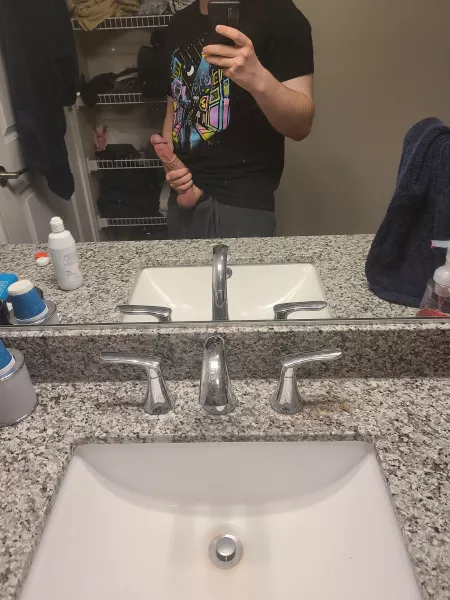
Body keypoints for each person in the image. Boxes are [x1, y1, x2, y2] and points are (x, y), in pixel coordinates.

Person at [160, 0, 315, 239]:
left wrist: (258, 79)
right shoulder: (178, 24)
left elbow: (301, 125)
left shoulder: (280, 13)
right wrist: (172, 166)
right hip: (183, 200)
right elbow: (174, 109)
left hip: (243, 204)